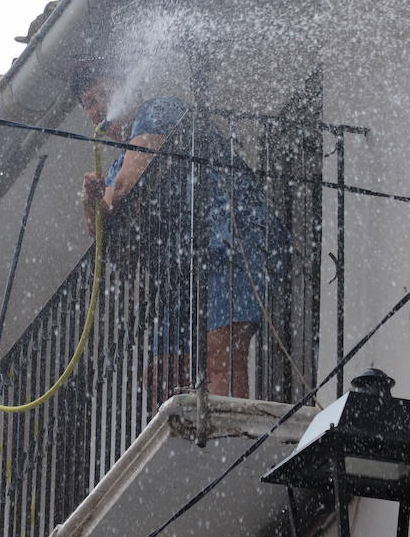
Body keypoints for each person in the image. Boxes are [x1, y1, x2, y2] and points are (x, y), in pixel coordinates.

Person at [73, 61, 289, 399]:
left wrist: (105, 202)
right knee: (164, 371)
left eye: (103, 94)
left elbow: (128, 184)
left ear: (128, 88)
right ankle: (199, 439)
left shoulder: (160, 110)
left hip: (230, 238)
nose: (99, 108)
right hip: (188, 266)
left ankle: (229, 439)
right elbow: (102, 235)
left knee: (221, 354)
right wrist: (90, 202)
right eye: (89, 104)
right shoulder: (116, 163)